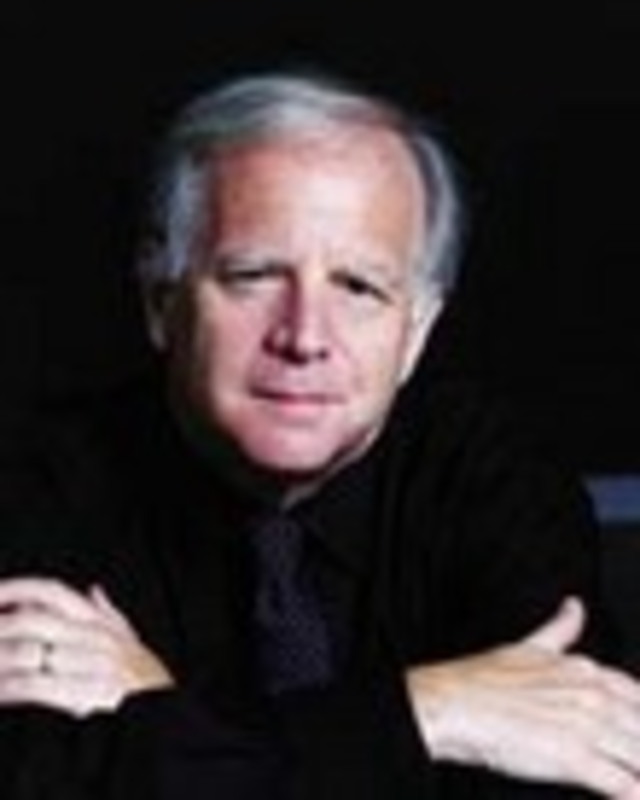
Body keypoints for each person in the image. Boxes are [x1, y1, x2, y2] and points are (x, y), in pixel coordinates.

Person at [0, 69, 639, 799]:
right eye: (254, 275)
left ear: (416, 332)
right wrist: (429, 714)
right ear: (161, 301)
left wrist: (172, 723)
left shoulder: (494, 480)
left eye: (359, 287)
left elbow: (575, 780)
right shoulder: (42, 484)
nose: (304, 337)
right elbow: (35, 779)